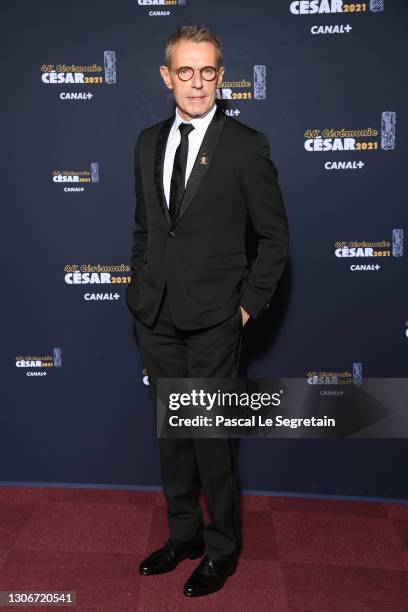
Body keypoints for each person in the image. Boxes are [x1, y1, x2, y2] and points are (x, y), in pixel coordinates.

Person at [125, 25, 289, 598]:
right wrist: (140, 291)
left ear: (221, 76)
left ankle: (221, 551)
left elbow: (274, 239)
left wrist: (244, 308)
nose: (197, 83)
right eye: (185, 72)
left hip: (218, 318)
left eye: (208, 72)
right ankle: (184, 536)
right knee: (171, 437)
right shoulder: (147, 142)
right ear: (167, 77)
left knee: (209, 439)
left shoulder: (246, 145)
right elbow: (146, 229)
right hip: (156, 316)